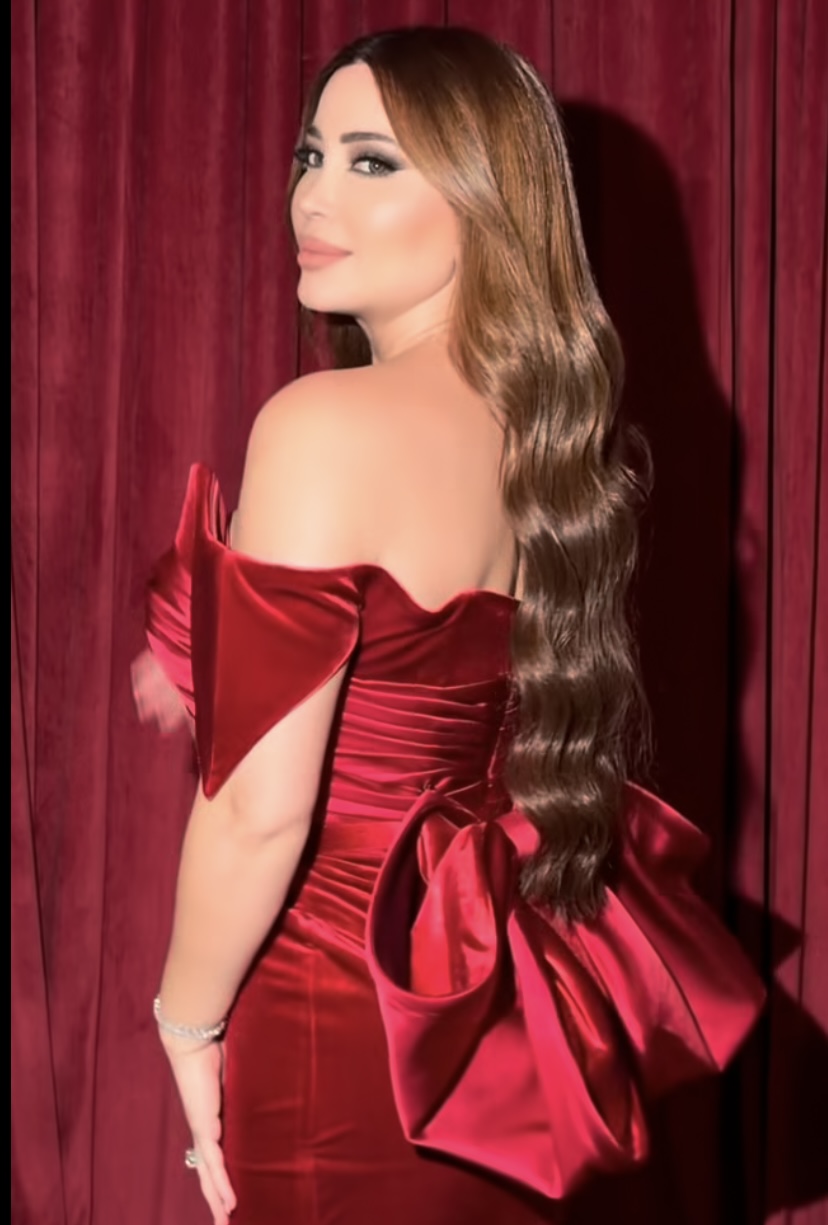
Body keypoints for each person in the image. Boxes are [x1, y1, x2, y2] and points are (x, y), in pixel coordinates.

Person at [132, 25, 765, 1225]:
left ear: (483, 200)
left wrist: (185, 1021)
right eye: (312, 154)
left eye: (373, 162)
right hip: (476, 1003)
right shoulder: (548, 439)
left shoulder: (322, 426)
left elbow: (261, 811)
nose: (313, 195)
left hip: (335, 998)